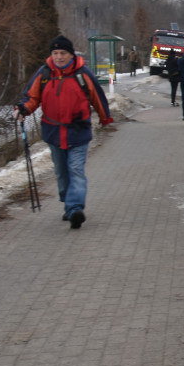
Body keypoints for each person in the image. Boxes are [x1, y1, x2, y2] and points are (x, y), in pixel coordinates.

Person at [15, 35, 113, 229]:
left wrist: (105, 118)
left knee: (76, 170)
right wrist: (24, 109)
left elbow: (97, 97)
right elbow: (32, 97)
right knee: (61, 173)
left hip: (78, 131)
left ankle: (75, 209)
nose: (59, 57)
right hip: (53, 131)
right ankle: (69, 204)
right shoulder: (44, 73)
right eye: (55, 53)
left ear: (70, 54)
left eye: (63, 53)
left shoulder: (82, 73)